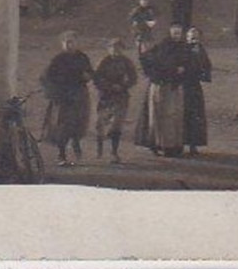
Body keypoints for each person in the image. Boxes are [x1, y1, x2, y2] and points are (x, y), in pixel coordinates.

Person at [135, 24, 188, 158]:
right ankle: (160, 144)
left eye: (179, 33)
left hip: (175, 86)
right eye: (174, 33)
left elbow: (188, 63)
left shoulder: (183, 47)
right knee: (160, 116)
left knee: (174, 116)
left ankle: (174, 146)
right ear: (170, 33)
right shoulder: (162, 48)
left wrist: (182, 70)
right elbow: (156, 64)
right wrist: (174, 69)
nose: (177, 36)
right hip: (161, 85)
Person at [41, 33, 93, 167]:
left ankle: (76, 143)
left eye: (72, 42)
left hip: (79, 95)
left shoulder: (82, 57)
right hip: (63, 97)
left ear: (77, 43)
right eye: (66, 42)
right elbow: (47, 77)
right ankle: (61, 154)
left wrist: (87, 76)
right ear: (62, 44)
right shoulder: (58, 59)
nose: (69, 45)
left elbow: (90, 72)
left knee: (79, 122)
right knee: (62, 125)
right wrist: (54, 92)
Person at [91, 38, 139, 164]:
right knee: (100, 123)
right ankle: (99, 150)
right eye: (112, 47)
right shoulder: (103, 62)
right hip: (105, 97)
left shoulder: (126, 62)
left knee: (116, 124)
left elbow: (133, 78)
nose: (115, 50)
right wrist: (109, 86)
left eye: (118, 48)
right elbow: (96, 79)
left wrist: (123, 86)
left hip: (121, 96)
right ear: (108, 49)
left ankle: (114, 152)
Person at [181, 28, 213, 157]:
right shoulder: (182, 49)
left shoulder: (200, 49)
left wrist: (204, 74)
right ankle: (179, 144)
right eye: (191, 36)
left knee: (195, 115)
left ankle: (193, 145)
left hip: (194, 86)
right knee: (181, 113)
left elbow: (207, 65)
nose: (193, 38)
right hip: (182, 85)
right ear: (187, 37)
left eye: (196, 36)